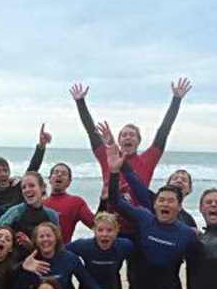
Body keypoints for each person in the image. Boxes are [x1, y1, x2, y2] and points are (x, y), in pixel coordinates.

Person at [70, 79, 191, 235]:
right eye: (124, 135)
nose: (128, 138)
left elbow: (163, 131)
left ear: (139, 141)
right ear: (118, 140)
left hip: (138, 224)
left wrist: (176, 100)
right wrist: (80, 102)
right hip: (109, 223)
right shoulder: (107, 156)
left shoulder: (148, 159)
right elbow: (91, 131)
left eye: (132, 135)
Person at [106, 151, 198, 289]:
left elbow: (197, 266)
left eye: (170, 201)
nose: (165, 204)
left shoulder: (188, 232)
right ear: (154, 203)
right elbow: (115, 200)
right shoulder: (144, 218)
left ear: (179, 207)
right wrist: (115, 171)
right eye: (161, 200)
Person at [13, 222, 101, 289]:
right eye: (41, 236)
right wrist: (22, 267)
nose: (45, 239)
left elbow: (88, 281)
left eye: (49, 236)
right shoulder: (30, 261)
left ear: (56, 238)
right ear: (36, 241)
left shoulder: (69, 258)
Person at [67, 212, 135, 289]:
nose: (104, 234)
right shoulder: (84, 246)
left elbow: (140, 261)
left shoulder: (125, 246)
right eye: (100, 230)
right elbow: (61, 253)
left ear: (117, 231)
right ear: (94, 231)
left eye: (109, 230)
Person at [0, 123, 51, 208]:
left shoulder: (19, 187)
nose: (3, 173)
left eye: (5, 170)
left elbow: (33, 168)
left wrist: (41, 146)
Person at [0, 171, 60, 250]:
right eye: (24, 187)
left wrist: (31, 246)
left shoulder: (52, 215)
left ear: (42, 188)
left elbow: (57, 246)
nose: (27, 190)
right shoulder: (15, 212)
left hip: (43, 259)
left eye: (31, 185)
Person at [43, 162, 96, 244]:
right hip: (40, 252)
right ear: (49, 179)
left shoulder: (76, 202)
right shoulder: (40, 203)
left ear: (69, 182)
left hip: (63, 252)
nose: (59, 175)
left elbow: (96, 225)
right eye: (56, 172)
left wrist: (104, 201)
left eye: (64, 174)